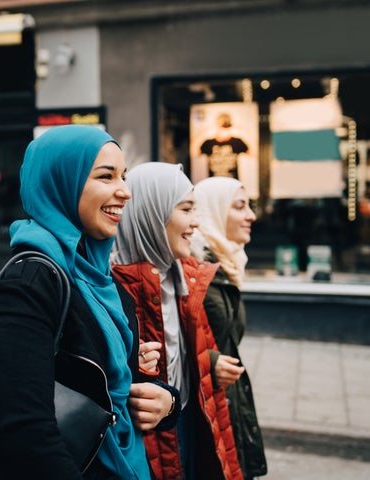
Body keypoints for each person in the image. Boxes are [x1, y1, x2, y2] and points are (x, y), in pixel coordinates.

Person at [0, 125, 179, 479]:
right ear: (62, 183)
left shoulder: (100, 275)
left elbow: (110, 390)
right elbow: (22, 431)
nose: (125, 192)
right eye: (106, 176)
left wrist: (166, 401)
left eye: (124, 176)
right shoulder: (30, 283)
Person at [111, 162, 243, 480]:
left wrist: (209, 362)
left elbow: (191, 352)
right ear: (150, 214)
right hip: (147, 445)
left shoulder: (186, 278)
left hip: (189, 420)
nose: (196, 223)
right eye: (186, 209)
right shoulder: (111, 288)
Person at [190, 176, 267, 480]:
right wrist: (209, 361)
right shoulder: (195, 271)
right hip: (204, 408)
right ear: (213, 211)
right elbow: (173, 340)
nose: (251, 216)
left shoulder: (226, 267)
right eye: (239, 207)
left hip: (225, 402)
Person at [200, 112, 249, 180]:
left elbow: (253, 154)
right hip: (214, 182)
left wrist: (244, 131)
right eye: (222, 126)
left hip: (232, 182)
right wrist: (203, 132)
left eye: (226, 126)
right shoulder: (209, 143)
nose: (224, 130)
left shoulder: (236, 142)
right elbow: (194, 153)